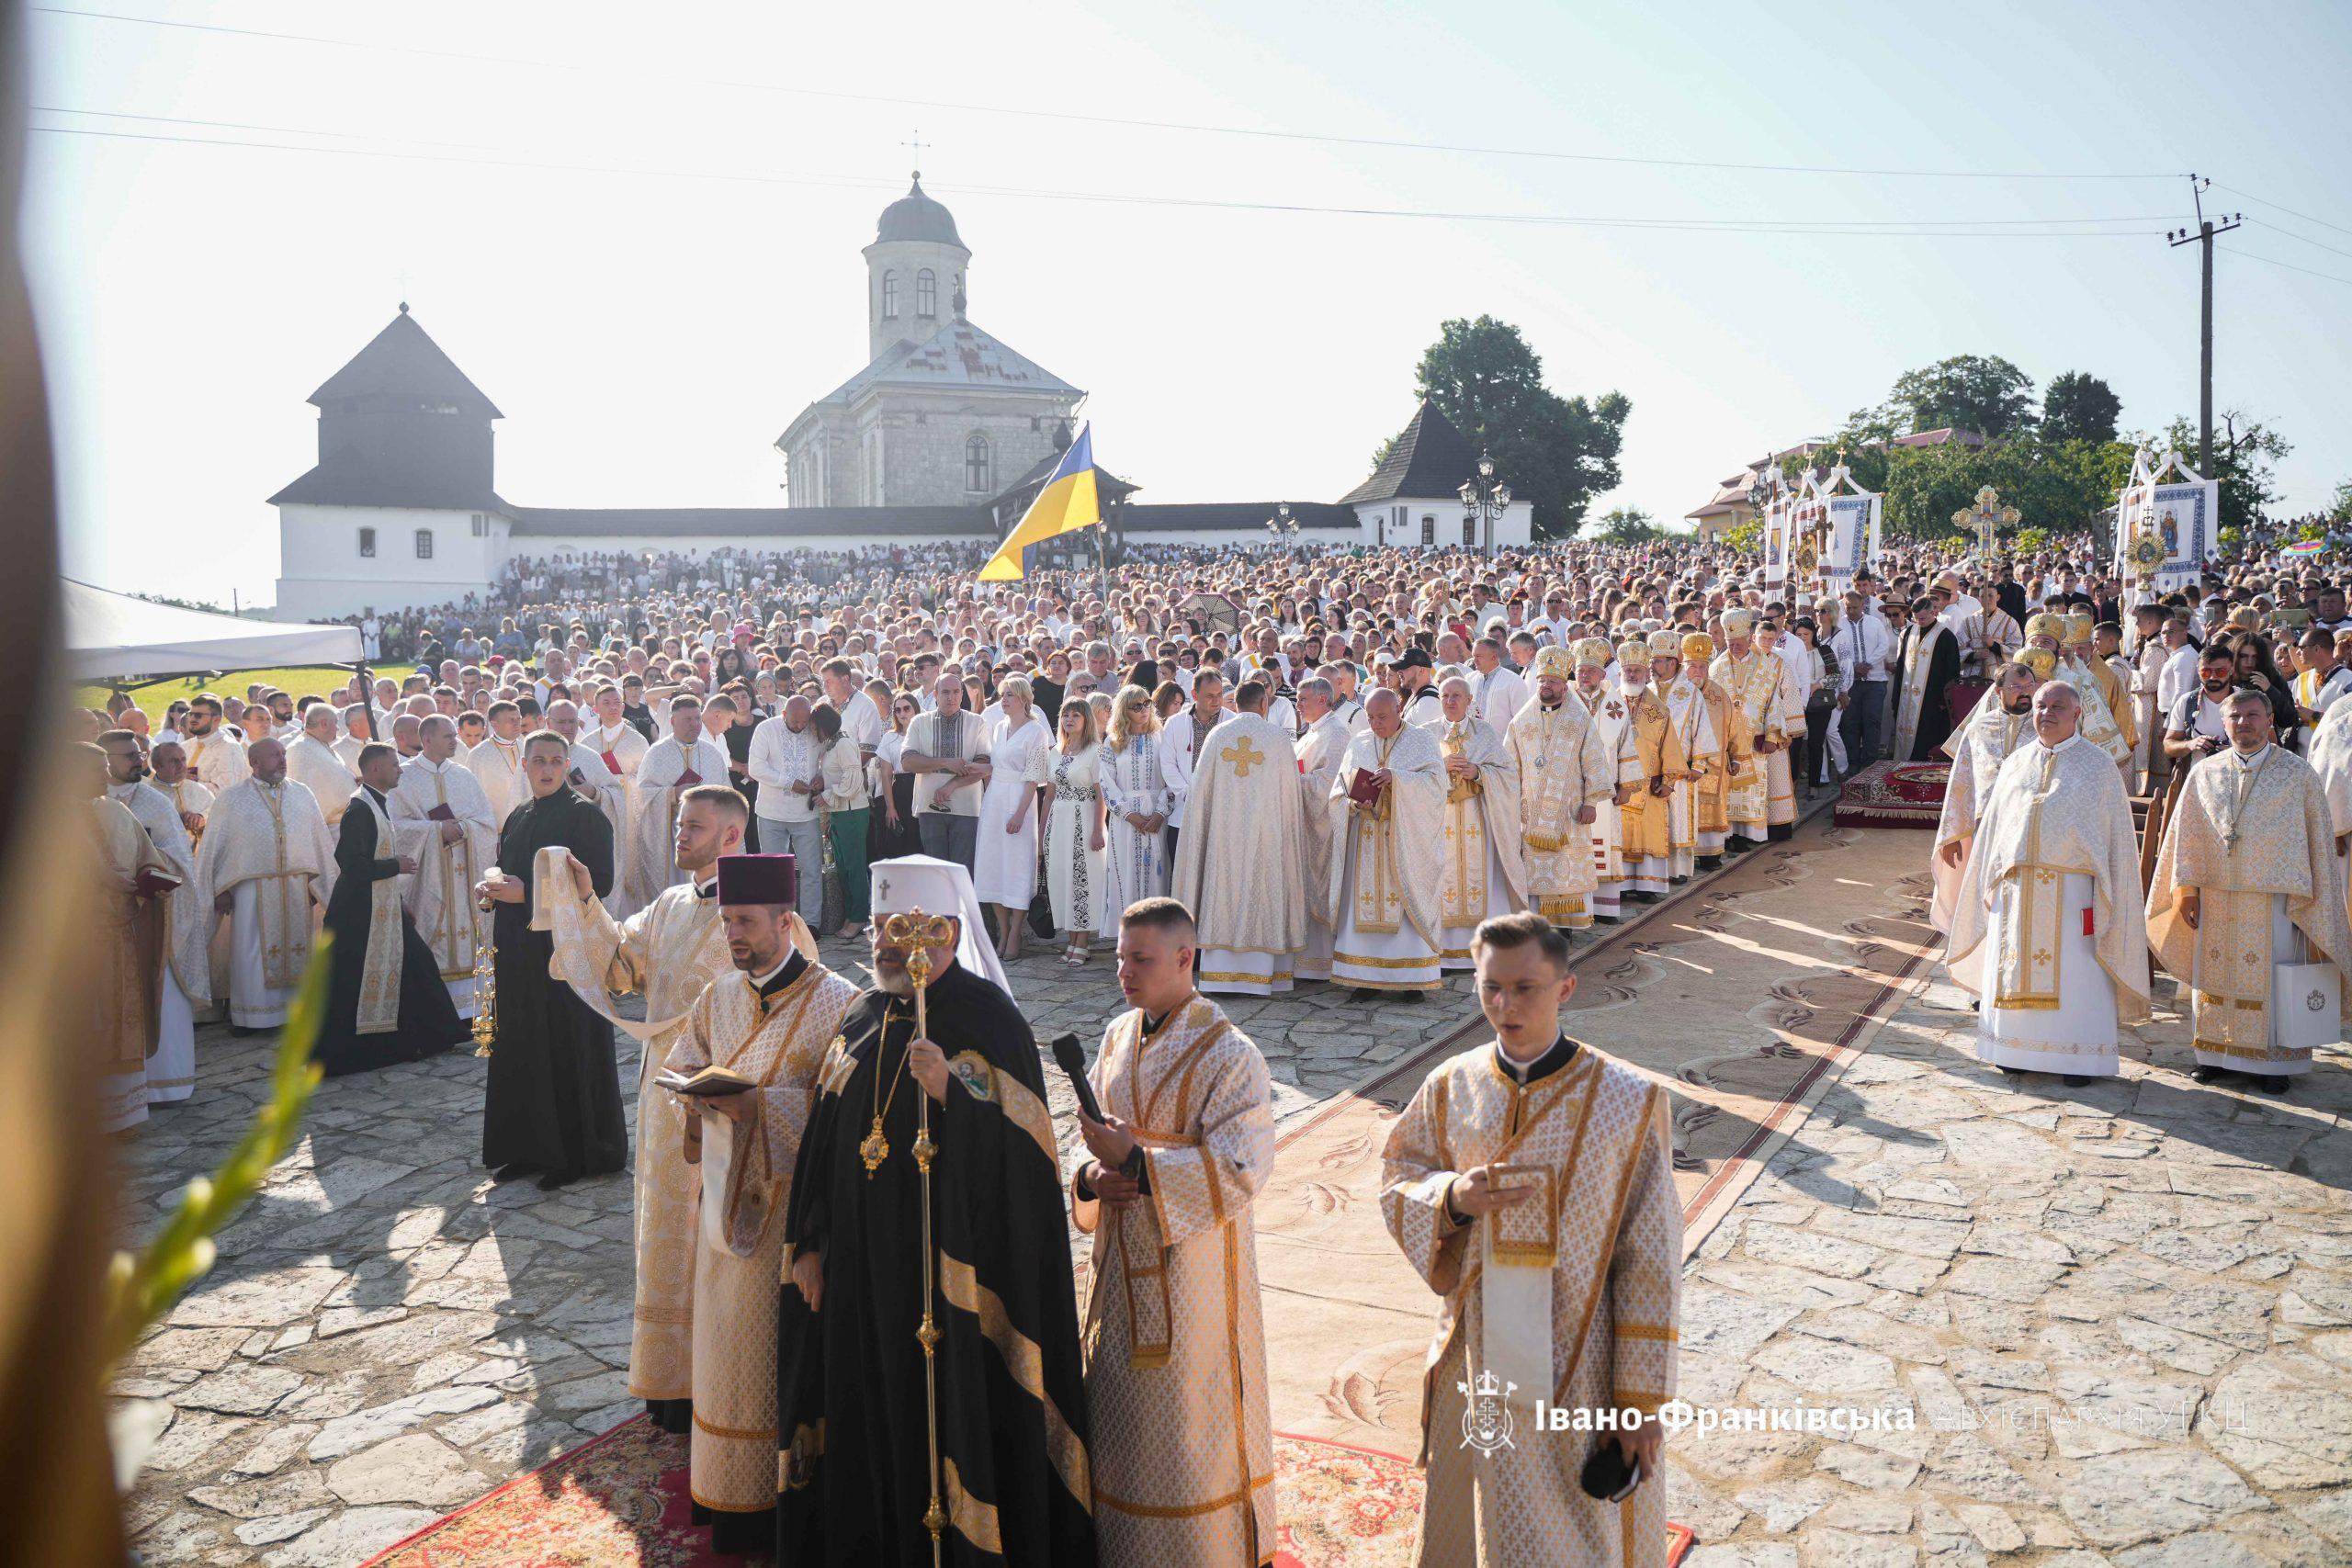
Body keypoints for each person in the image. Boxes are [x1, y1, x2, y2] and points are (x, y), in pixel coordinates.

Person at [775, 856, 1094, 1564]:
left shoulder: (988, 1019)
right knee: (865, 1417)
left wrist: (952, 1095)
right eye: (882, 932)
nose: (885, 949)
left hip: (946, 1288)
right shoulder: (861, 1014)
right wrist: (807, 1242)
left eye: (903, 934)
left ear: (946, 932)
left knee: (938, 1422)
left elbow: (1026, 1164)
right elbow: (823, 1145)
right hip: (857, 1272)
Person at [1380, 912, 1679, 1567]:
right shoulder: (1450, 1083)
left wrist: (1639, 1401)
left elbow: (1651, 1257)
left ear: (1566, 988)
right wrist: (1454, 1197)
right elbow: (1399, 1173)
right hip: (1477, 1344)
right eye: (1490, 987)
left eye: (1526, 987)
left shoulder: (1629, 1101)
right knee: (1479, 1514)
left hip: (1582, 1354)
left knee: (1571, 1526)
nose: (1505, 1005)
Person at [649, 852, 859, 1556]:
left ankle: (778, 1504)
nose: (733, 933)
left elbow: (847, 1116)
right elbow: (683, 1056)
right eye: (727, 920)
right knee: (721, 1355)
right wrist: (691, 1090)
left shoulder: (840, 1003)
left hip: (791, 1222)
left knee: (774, 1363)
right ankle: (725, 1497)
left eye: (745, 921)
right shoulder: (719, 994)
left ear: (786, 921)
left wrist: (757, 1107)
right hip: (721, 1205)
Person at [1071, 897, 1277, 1562]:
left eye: (1141, 958)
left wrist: (1137, 1160)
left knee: (1187, 1426)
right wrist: (1091, 1179)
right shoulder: (1113, 1037)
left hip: (1193, 1281)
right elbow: (1091, 1148)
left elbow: (1243, 1167)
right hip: (1118, 1268)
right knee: (1116, 1415)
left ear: (1185, 958)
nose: (1124, 971)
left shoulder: (1232, 1054)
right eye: (1120, 956)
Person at [543, 784, 743, 1436]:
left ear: (733, 837)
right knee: (663, 1229)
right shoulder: (669, 903)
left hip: (722, 1104)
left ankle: (716, 1374)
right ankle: (668, 1383)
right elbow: (621, 964)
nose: (681, 835)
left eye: (697, 826)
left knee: (713, 1232)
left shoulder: (763, 911)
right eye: (680, 824)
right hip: (660, 1092)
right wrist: (583, 897)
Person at [2146, 688, 2352, 1094]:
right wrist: (2186, 889)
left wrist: (2307, 901)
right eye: (2235, 716)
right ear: (2223, 723)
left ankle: (2273, 1065)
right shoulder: (2205, 772)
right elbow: (2185, 834)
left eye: (2252, 715)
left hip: (2275, 901)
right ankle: (2214, 1056)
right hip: (2216, 897)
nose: (2243, 723)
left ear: (2269, 719)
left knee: (2272, 980)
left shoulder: (2297, 774)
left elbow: (2317, 845)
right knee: (2215, 976)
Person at [1942, 682, 2149, 1086]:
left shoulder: (2099, 766)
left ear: (2077, 715)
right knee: (2013, 967)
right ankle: (2013, 1050)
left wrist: (2104, 893)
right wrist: (1988, 878)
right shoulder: (2017, 763)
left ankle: (2077, 1060)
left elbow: (2116, 842)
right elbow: (1994, 830)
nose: (2046, 713)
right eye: (2040, 706)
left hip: (2075, 893)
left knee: (2078, 975)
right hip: (2017, 890)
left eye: (2058, 706)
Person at [474, 731, 627, 1190]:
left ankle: (576, 1153)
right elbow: (512, 871)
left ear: (566, 765)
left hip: (567, 952)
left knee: (564, 1044)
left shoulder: (587, 818)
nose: (546, 768)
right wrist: (494, 891)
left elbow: (597, 883)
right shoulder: (519, 815)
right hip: (519, 949)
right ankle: (527, 1147)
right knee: (523, 1042)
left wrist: (528, 894)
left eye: (555, 761)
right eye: (538, 760)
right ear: (525, 766)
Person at [312, 744, 467, 1076]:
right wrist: (393, 866)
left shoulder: (376, 803)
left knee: (417, 964)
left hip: (381, 905)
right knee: (352, 980)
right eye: (394, 765)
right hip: (358, 913)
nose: (400, 770)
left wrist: (399, 902)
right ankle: (358, 1052)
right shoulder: (359, 809)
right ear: (375, 770)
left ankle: (432, 1036)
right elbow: (350, 863)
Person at [1170, 677, 1311, 993]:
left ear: (1237, 703)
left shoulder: (1219, 735)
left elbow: (1199, 795)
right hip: (1267, 840)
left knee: (1223, 891)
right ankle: (1263, 978)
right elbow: (1290, 797)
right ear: (1264, 704)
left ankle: (1220, 975)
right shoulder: (1277, 738)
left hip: (1224, 843)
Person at [189, 737, 335, 1032]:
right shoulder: (231, 799)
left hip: (295, 887)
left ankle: (295, 1015)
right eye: (273, 756)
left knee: (299, 948)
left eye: (283, 754)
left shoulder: (302, 793)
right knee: (252, 951)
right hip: (250, 890)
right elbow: (215, 849)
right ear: (254, 762)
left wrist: (316, 882)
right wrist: (219, 889)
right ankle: (254, 1017)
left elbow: (318, 840)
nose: (282, 760)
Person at [98, 730, 206, 1107]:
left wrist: (145, 865)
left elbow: (180, 861)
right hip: (104, 925)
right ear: (104, 760)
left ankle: (167, 1085)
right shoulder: (83, 806)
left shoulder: (153, 801)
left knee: (163, 997)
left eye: (138, 753)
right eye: (127, 755)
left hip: (154, 921)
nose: (137, 761)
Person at [1327, 688, 1448, 998]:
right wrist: (1354, 803)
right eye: (1369, 717)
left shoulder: (1421, 740)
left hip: (1405, 842)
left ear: (1398, 709)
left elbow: (1437, 785)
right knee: (1363, 907)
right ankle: (1366, 978)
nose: (1375, 723)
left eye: (1381, 716)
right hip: (1366, 842)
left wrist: (1398, 779)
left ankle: (1411, 978)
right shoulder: (1360, 741)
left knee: (1406, 902)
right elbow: (1339, 789)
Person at [88, 744, 181, 1133]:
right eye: (95, 768)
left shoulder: (115, 810)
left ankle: (123, 1114)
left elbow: (149, 857)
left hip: (122, 934)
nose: (102, 774)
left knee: (122, 1017)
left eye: (104, 766)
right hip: (80, 940)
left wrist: (152, 880)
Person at [387, 715, 497, 1020]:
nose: (454, 741)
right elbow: (394, 827)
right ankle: (437, 1012)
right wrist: (435, 831)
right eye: (448, 736)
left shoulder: (464, 775)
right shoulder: (404, 777)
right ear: (428, 740)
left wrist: (463, 828)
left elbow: (486, 822)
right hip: (429, 879)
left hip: (465, 873)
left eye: (454, 735)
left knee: (469, 937)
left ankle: (472, 1010)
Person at [1931, 657, 2046, 932]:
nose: (2025, 692)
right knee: (1985, 888)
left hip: (2031, 824)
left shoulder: (2046, 729)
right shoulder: (1979, 728)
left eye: (2030, 685)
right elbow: (1961, 782)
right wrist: (1952, 834)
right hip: (1987, 825)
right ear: (1998, 692)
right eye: (2016, 687)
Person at [1506, 647, 1616, 931]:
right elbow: (1509, 765)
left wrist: (1592, 801)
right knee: (1534, 870)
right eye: (1542, 680)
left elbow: (1594, 759)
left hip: (1570, 812)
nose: (1546, 686)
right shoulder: (1521, 721)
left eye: (1552, 681)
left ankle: (1568, 924)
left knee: (1567, 866)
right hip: (1530, 813)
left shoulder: (1579, 719)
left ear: (1564, 686)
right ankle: (1538, 925)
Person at [1431, 674, 1527, 969]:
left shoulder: (1484, 733)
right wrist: (1439, 766)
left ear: (1470, 700)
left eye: (1456, 696)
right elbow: (1412, 775)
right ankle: (1441, 951)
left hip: (1477, 817)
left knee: (1481, 879)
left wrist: (1479, 772)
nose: (1450, 701)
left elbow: (1508, 775)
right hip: (1440, 820)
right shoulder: (1425, 734)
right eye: (1445, 696)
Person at [627, 694, 729, 912]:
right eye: (687, 720)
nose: (694, 725)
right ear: (672, 721)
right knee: (678, 898)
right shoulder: (656, 753)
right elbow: (642, 796)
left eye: (697, 719)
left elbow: (727, 793)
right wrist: (673, 793)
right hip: (672, 836)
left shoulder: (712, 753)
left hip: (708, 837)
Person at [975, 675, 1050, 962]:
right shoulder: (998, 728)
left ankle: (1016, 931)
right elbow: (991, 768)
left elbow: (1033, 778)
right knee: (993, 865)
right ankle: (1003, 931)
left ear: (1023, 699)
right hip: (994, 799)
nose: (1004, 700)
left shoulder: (1036, 731)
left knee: (1018, 866)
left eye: (1010, 695)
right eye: (1002, 694)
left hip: (1020, 799)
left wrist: (1019, 813)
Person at [1030, 696, 1106, 964]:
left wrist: (1098, 829)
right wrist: (1042, 835)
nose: (1069, 720)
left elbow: (1101, 795)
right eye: (1065, 715)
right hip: (1058, 823)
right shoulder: (1056, 752)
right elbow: (1048, 797)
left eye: (1075, 715)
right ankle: (1072, 940)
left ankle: (1083, 942)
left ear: (1086, 720)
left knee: (1082, 880)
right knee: (1063, 879)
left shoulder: (1096, 751)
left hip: (1084, 820)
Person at [1713, 611, 1793, 848]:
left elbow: (1774, 702)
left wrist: (1772, 735)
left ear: (1749, 639)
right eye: (1730, 644)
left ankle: (1748, 834)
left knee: (1750, 792)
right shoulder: (1716, 669)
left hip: (1754, 739)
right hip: (1726, 742)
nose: (1735, 647)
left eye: (1738, 643)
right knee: (1728, 791)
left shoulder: (1764, 666)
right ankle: (1727, 835)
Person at [747, 695, 828, 933]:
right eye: (794, 722)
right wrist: (788, 782)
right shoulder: (765, 729)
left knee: (812, 869)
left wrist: (822, 776)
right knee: (773, 871)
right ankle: (776, 921)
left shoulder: (814, 729)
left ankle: (811, 924)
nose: (800, 727)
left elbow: (828, 759)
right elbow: (756, 767)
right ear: (783, 715)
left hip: (806, 814)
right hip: (771, 812)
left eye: (804, 722)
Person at [899, 672, 988, 872]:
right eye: (946, 692)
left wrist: (953, 784)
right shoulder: (919, 722)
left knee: (963, 870)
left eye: (956, 692)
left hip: (967, 807)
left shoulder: (977, 722)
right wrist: (946, 762)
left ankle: (963, 905)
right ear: (936, 694)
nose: (952, 697)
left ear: (962, 694)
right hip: (929, 807)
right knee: (936, 869)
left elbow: (984, 765)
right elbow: (907, 762)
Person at [1100, 682, 1170, 921]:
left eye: (1146, 703)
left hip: (1157, 817)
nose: (1143, 710)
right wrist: (1130, 815)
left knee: (1156, 877)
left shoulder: (1162, 737)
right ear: (1124, 711)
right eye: (1136, 706)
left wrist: (1160, 813)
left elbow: (1171, 776)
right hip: (1125, 821)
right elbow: (1107, 783)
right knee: (1126, 875)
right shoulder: (1112, 743)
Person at [814, 703, 873, 937]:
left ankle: (859, 917)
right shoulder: (831, 745)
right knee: (842, 867)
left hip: (852, 812)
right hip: (839, 811)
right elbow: (833, 774)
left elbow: (853, 779)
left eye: (814, 726)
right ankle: (851, 914)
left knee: (854, 865)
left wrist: (826, 795)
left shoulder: (845, 743)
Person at [1159, 667, 1227, 869]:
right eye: (1210, 696)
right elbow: (1168, 764)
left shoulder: (1231, 721)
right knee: (1182, 873)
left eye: (1220, 695)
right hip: (1182, 813)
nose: (1216, 700)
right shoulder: (1175, 723)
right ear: (1195, 694)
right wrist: (1189, 794)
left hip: (1220, 814)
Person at [1889, 596, 1962, 763]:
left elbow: (1952, 671)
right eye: (1916, 618)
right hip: (1907, 699)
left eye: (1923, 618)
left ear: (1933, 612)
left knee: (1928, 739)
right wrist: (1896, 695)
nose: (1919, 622)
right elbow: (1901, 667)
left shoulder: (1946, 636)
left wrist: (1945, 700)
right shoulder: (1908, 633)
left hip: (1932, 701)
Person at [284, 703, 356, 827]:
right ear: (323, 724)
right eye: (335, 723)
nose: (338, 729)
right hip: (327, 827)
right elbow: (301, 795)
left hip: (344, 823)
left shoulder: (319, 744)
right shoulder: (300, 750)